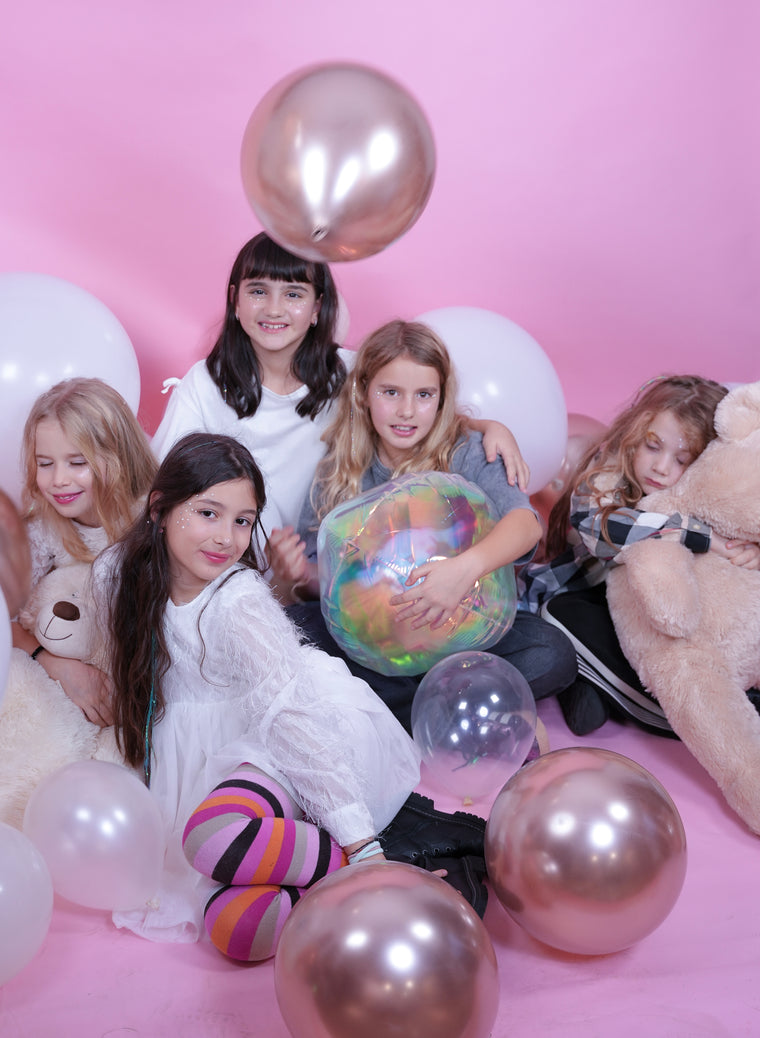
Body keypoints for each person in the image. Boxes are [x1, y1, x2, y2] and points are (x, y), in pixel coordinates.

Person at [96, 433, 489, 960]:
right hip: (197, 759)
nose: (226, 538)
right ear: (159, 509)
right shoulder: (116, 574)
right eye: (208, 513)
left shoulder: (238, 603)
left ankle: (370, 864)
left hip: (283, 742)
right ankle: (326, 872)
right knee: (239, 930)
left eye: (243, 521)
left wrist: (360, 846)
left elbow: (291, 720)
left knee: (210, 838)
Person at [269, 319, 578, 731]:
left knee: (551, 652)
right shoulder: (339, 469)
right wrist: (299, 574)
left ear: (442, 398)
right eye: (390, 392)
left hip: (466, 636)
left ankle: (396, 713)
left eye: (424, 395)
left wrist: (462, 571)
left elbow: (526, 526)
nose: (407, 411)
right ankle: (453, 709)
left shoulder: (469, 452)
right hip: (376, 644)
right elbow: (326, 587)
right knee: (294, 631)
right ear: (363, 393)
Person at [152, 233, 529, 566]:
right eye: (258, 291)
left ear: (317, 308)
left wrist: (487, 426)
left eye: (293, 294)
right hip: (229, 562)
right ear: (235, 300)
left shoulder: (348, 372)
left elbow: (413, 408)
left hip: (320, 569)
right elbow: (163, 486)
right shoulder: (204, 385)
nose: (274, 309)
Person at [521, 374, 760, 733]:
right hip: (583, 598)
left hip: (650, 619)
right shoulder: (607, 471)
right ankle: (640, 705)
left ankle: (601, 689)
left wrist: (750, 553)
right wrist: (700, 537)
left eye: (683, 459)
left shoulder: (704, 494)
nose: (661, 467)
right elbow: (601, 529)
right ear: (635, 434)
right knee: (561, 618)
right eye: (652, 446)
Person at [10, 377, 156, 725]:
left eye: (77, 462)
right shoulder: (42, 529)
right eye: (45, 463)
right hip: (64, 680)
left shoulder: (152, 519)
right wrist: (56, 664)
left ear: (118, 458)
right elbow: (6, 620)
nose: (58, 480)